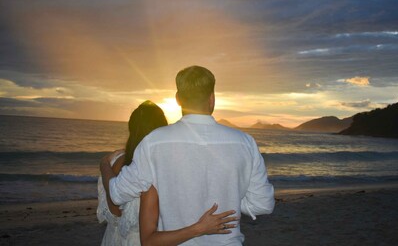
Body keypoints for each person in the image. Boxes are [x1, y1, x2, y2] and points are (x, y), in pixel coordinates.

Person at [101, 66, 275, 245]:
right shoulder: (245, 143)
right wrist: (230, 197)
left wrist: (104, 166)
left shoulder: (154, 143)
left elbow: (117, 194)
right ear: (212, 98)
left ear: (177, 99)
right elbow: (263, 205)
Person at [98, 100, 237, 245]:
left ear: (132, 129)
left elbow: (115, 212)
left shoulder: (118, 162)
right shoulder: (161, 168)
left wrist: (104, 165)